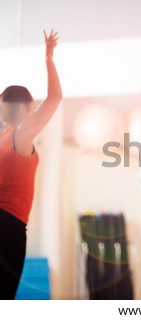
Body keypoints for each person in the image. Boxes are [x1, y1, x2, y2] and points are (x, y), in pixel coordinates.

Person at [0, 30, 62, 299]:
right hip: (8, 226)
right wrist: (48, 58)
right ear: (25, 108)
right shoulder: (20, 135)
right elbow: (55, 98)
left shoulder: (3, 139)